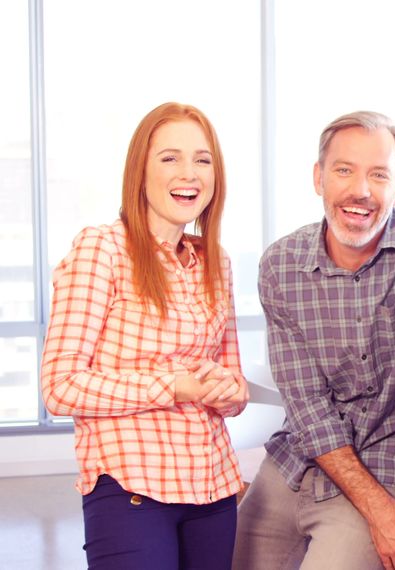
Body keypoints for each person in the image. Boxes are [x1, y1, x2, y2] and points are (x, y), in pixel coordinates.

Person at [232, 111, 395, 570]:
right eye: (344, 170)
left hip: (392, 460)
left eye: (378, 174)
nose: (360, 190)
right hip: (296, 461)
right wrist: (382, 515)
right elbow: (307, 405)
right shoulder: (280, 265)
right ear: (318, 178)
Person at [41, 102, 250, 569]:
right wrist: (174, 385)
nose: (189, 173)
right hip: (131, 485)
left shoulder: (216, 261)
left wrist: (227, 389)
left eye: (203, 159)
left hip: (212, 487)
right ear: (140, 170)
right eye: (170, 158)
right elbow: (59, 385)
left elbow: (232, 390)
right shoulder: (103, 248)